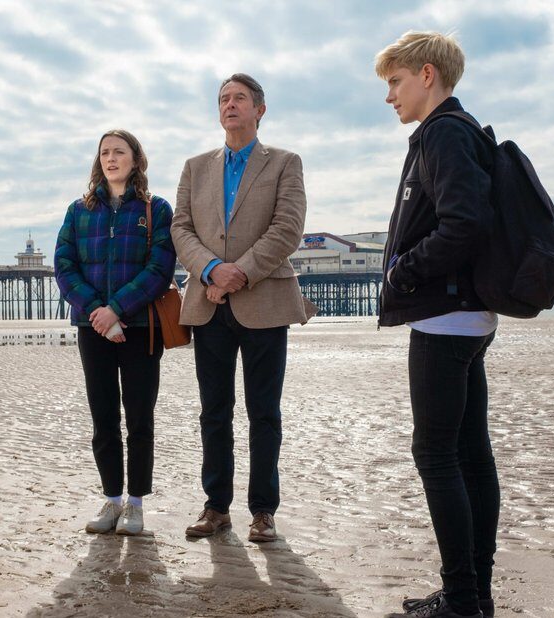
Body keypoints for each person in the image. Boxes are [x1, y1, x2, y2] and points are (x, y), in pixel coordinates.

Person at [375, 32, 500, 618]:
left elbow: (463, 225)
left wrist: (402, 275)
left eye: (395, 82)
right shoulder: (459, 129)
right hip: (468, 317)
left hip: (446, 319)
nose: (390, 96)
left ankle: (460, 599)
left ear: (427, 75)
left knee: (437, 455)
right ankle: (474, 594)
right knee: (471, 455)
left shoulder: (445, 132)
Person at [171, 73, 313, 543]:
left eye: (240, 99)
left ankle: (263, 510)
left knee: (264, 412)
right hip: (208, 302)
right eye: (224, 99)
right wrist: (212, 269)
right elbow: (181, 229)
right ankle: (216, 508)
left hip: (264, 302)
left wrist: (241, 272)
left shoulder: (285, 163)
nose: (230, 105)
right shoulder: (195, 167)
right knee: (214, 411)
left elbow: (288, 227)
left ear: (260, 110)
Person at [54, 129, 176, 536]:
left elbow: (160, 269)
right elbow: (64, 266)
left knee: (139, 418)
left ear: (135, 159)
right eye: (104, 152)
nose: (110, 158)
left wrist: (117, 309)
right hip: (93, 329)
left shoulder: (156, 209)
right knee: (103, 417)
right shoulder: (79, 210)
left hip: (140, 327)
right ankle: (111, 499)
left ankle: (136, 504)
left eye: (118, 152)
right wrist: (96, 312)